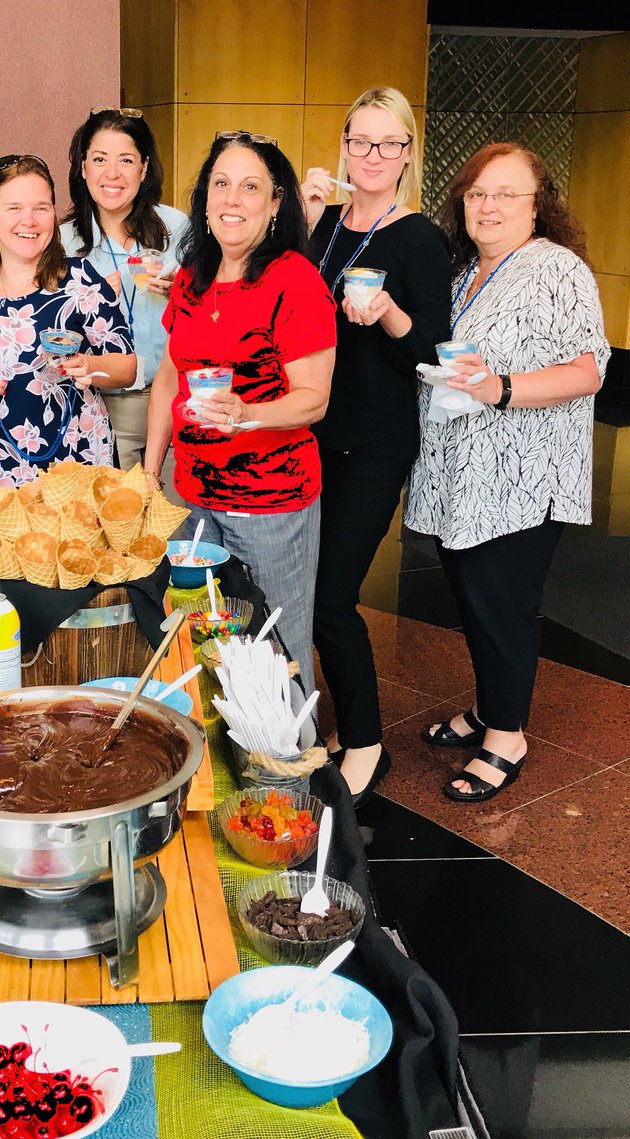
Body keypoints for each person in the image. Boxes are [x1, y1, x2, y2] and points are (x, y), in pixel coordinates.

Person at [405, 143, 609, 802]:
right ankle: (491, 707)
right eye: (476, 194)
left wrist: (503, 388)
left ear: (536, 205)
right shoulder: (467, 269)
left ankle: (507, 737)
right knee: (472, 601)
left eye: (505, 194)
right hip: (463, 478)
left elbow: (587, 369)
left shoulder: (556, 269)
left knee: (504, 609)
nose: (487, 206)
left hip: (521, 477)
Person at [143, 131, 336, 694]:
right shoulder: (191, 277)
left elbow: (313, 399)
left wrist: (246, 412)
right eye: (221, 184)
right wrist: (151, 472)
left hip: (270, 501)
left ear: (276, 203)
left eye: (250, 187)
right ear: (205, 199)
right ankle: (223, 773)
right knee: (207, 642)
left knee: (274, 647)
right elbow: (168, 379)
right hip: (191, 497)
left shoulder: (295, 280)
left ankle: (290, 780)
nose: (232, 199)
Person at [301, 86, 452, 803]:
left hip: (375, 441)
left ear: (407, 154)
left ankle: (366, 744)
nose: (373, 156)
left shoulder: (419, 237)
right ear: (344, 145)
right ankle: (342, 724)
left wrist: (388, 312)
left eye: (390, 144)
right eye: (361, 141)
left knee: (332, 598)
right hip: (310, 433)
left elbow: (431, 351)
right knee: (307, 594)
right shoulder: (325, 222)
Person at [0, 155, 136, 528]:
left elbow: (127, 367)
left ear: (54, 215)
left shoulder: (81, 281)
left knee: (76, 575)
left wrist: (91, 365)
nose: (29, 221)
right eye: (14, 208)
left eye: (41, 208)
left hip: (77, 463)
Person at [61, 108, 188, 489]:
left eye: (126, 160)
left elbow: (214, 310)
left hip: (172, 401)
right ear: (83, 168)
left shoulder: (177, 228)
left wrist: (181, 289)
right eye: (99, 160)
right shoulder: (62, 241)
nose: (112, 174)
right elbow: (46, 332)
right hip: (97, 408)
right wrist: (88, 304)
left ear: (144, 168)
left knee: (169, 528)